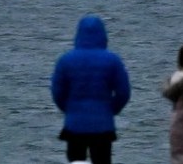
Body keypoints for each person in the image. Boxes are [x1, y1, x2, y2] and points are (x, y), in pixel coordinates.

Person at [51, 14, 131, 164]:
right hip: (103, 125)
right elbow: (124, 92)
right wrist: (111, 110)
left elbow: (57, 92)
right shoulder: (113, 61)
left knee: (76, 160)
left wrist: (68, 109)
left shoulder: (65, 60)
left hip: (74, 124)